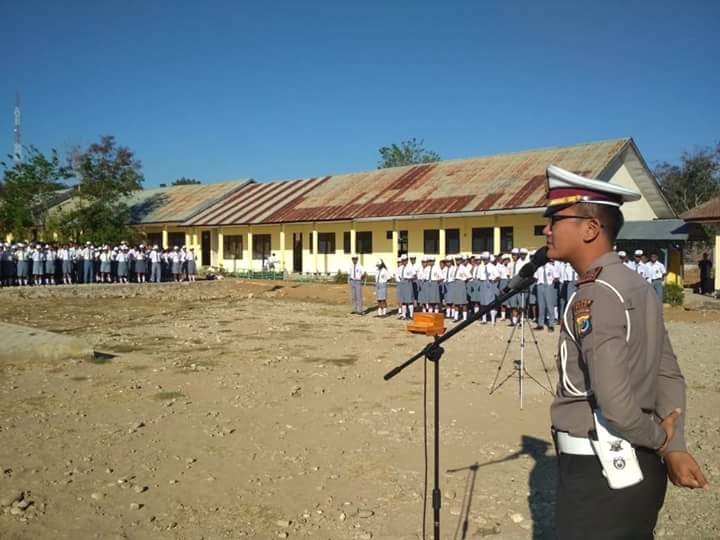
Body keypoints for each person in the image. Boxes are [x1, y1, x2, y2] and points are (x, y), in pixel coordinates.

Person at [543, 165, 708, 539]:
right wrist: (672, 446)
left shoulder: (595, 293)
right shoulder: (633, 284)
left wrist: (662, 441)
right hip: (638, 470)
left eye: (556, 219)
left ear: (590, 229)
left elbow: (614, 402)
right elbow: (668, 373)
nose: (547, 229)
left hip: (601, 470)